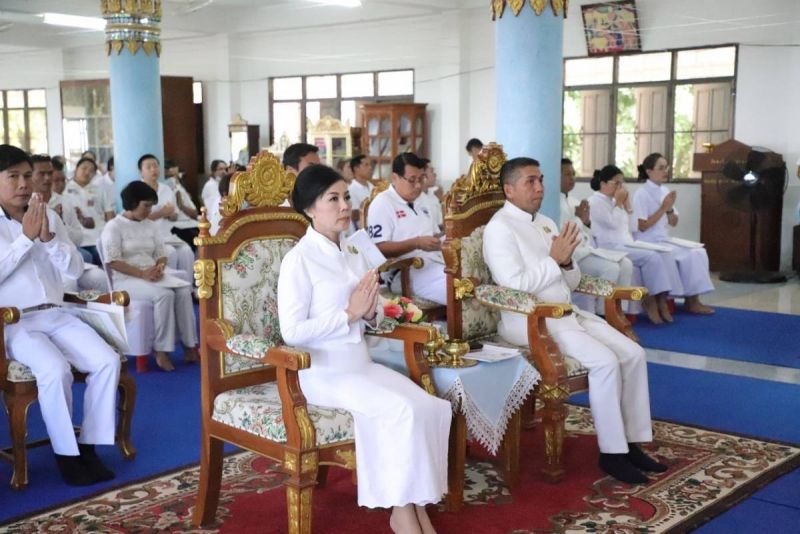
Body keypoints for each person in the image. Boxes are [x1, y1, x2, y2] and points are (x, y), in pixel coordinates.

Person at [278, 164, 450, 533]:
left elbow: (367, 317)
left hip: (360, 363)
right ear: (309, 208)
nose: (345, 206)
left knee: (429, 406)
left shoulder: (353, 250)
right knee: (400, 411)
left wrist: (369, 312)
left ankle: (417, 506)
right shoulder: (299, 260)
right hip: (323, 372)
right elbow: (291, 332)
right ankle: (402, 511)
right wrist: (348, 313)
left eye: (345, 197)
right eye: (333, 199)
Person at [483, 156, 666, 484]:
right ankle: (612, 454)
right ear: (509, 190)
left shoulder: (546, 223)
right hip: (532, 320)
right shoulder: (499, 229)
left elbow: (569, 280)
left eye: (540, 179)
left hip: (567, 312)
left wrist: (566, 265)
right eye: (530, 181)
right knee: (607, 362)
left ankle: (632, 443)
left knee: (634, 354)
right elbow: (513, 287)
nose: (540, 187)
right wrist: (555, 260)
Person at [0, 144, 121, 486]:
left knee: (107, 361)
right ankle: (66, 455)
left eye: (28, 176)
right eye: (14, 177)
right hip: (16, 323)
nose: (24, 184)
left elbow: (75, 269)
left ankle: (90, 445)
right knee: (55, 369)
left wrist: (49, 238)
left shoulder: (48, 215)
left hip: (56, 313)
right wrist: (24, 240)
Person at [101, 181, 198, 372]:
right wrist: (142, 273)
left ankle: (189, 345)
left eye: (151, 205)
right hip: (126, 280)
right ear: (132, 203)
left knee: (184, 289)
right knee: (165, 295)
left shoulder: (150, 225)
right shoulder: (114, 227)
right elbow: (112, 261)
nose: (150, 210)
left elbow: (161, 253)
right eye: (146, 206)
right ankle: (161, 350)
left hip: (151, 274)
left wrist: (160, 267)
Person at [588, 165, 681, 324]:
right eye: (616, 183)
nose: (620, 187)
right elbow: (611, 223)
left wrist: (628, 206)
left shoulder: (615, 201)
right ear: (603, 183)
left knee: (663, 254)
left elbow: (632, 227)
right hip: (608, 247)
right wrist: (618, 204)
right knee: (651, 257)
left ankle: (661, 300)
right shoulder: (594, 201)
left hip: (625, 243)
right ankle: (650, 301)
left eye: (622, 183)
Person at [634, 153, 715, 314]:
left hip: (663, 238)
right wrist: (664, 208)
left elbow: (674, 222)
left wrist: (669, 208)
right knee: (683, 255)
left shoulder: (665, 190)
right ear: (649, 171)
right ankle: (683, 301)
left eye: (667, 168)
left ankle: (693, 300)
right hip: (647, 240)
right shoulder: (641, 193)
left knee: (697, 252)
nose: (665, 171)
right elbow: (642, 226)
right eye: (661, 168)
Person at [366, 153, 446, 305]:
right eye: (412, 180)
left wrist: (442, 237)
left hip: (436, 263)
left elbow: (433, 233)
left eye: (421, 179)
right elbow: (379, 248)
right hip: (405, 272)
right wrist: (416, 243)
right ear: (395, 178)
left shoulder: (423, 199)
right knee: (456, 288)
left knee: (470, 279)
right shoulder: (382, 203)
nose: (418, 186)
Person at [560, 158, 633, 314]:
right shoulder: (554, 203)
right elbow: (563, 234)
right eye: (567, 174)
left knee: (626, 264)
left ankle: (620, 312)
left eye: (573, 174)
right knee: (610, 268)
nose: (572, 178)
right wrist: (580, 219)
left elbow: (587, 232)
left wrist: (586, 224)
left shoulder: (575, 201)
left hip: (586, 249)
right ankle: (604, 315)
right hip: (573, 255)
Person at [30, 154, 107, 292]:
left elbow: (78, 238)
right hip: (42, 263)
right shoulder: (26, 204)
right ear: (30, 175)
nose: (47, 178)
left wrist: (60, 223)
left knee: (100, 278)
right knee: (68, 284)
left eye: (50, 173)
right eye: (41, 174)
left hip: (66, 258)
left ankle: (99, 314)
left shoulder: (65, 202)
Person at [138, 154, 194, 282]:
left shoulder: (166, 189)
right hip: (147, 237)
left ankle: (188, 287)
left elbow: (174, 217)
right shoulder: (138, 190)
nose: (153, 169)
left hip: (167, 235)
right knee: (170, 253)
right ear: (141, 172)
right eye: (149, 167)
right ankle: (169, 285)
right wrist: (162, 213)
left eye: (156, 166)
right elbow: (138, 219)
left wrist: (171, 215)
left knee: (187, 252)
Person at [63, 156, 115, 265]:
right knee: (86, 258)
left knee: (109, 259)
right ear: (76, 169)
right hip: (77, 240)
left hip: (99, 238)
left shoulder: (99, 190)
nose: (87, 172)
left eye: (91, 171)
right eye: (84, 168)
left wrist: (111, 235)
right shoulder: (65, 189)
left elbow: (109, 214)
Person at [164, 159, 200, 250]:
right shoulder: (168, 187)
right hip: (179, 225)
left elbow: (194, 213)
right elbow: (175, 212)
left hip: (190, 221)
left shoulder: (180, 188)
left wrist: (182, 205)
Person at [348, 155, 374, 228]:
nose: (370, 168)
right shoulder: (351, 190)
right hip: (361, 228)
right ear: (356, 168)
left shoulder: (373, 187)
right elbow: (354, 214)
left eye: (370, 165)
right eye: (366, 165)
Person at [418, 158, 444, 233]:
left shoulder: (432, 195)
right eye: (432, 171)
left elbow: (440, 223)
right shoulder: (416, 199)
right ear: (423, 175)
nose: (435, 174)